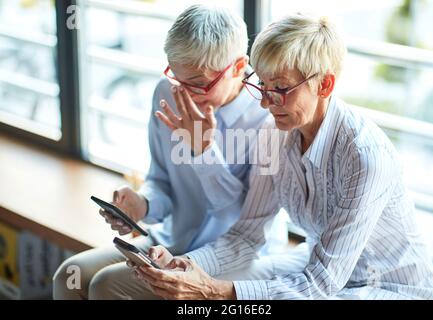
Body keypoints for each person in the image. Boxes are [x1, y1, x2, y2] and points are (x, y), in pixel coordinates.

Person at [134, 12, 433, 300]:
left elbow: (321, 282)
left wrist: (216, 290)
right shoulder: (273, 133)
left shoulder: (365, 157)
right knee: (231, 283)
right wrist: (183, 264)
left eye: (279, 88)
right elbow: (246, 235)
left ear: (325, 84)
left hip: (386, 285)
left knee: (235, 295)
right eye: (263, 86)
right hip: (316, 265)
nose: (266, 103)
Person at [52, 4, 280, 300]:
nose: (184, 93)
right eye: (176, 77)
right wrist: (141, 205)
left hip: (235, 255)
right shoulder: (166, 93)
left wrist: (204, 152)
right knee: (69, 277)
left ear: (238, 67)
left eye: (199, 84)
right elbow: (160, 178)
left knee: (106, 286)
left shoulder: (268, 118)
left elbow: (240, 225)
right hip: (173, 240)